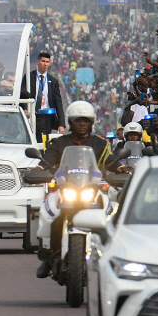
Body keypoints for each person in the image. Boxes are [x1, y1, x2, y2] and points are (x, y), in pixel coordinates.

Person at [36, 100, 111, 278]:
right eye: (78, 120)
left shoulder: (100, 144)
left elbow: (112, 162)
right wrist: (38, 169)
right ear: (70, 122)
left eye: (86, 120)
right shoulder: (59, 143)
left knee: (109, 215)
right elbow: (46, 161)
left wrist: (120, 169)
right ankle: (50, 258)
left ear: (92, 122)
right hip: (66, 191)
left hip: (91, 190)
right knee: (53, 215)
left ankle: (110, 256)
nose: (82, 124)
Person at [26, 51, 66, 139]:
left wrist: (61, 124)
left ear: (50, 63)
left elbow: (58, 103)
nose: (45, 64)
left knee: (43, 143)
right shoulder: (28, 77)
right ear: (37, 62)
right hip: (32, 115)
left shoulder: (53, 81)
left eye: (47, 62)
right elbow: (22, 96)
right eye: (43, 61)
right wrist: (25, 109)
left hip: (46, 118)